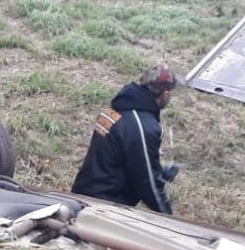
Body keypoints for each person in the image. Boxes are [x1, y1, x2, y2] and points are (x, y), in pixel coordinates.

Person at [71, 62, 180, 214]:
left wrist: (158, 170)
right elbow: (148, 184)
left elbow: (117, 158)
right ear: (165, 94)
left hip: (82, 194)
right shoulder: (142, 126)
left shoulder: (117, 109)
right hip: (104, 207)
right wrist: (169, 221)